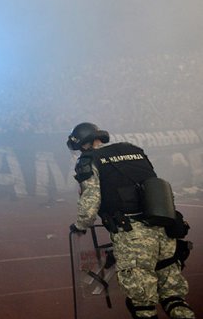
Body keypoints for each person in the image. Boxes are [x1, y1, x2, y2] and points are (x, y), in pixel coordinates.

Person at [67, 122, 195, 319]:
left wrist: (81, 224)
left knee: (142, 305)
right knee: (174, 298)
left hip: (133, 236)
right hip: (164, 227)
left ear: (84, 144)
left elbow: (91, 200)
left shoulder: (89, 159)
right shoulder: (133, 150)